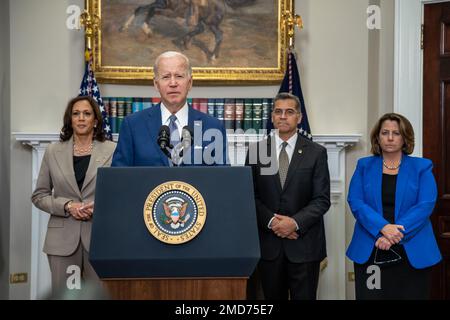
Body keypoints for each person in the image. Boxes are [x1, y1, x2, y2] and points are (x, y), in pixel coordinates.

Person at [347, 113, 442, 300]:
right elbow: (356, 201)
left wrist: (392, 235)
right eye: (385, 132)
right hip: (371, 248)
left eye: (396, 133)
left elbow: (425, 205)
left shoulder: (421, 167)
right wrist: (382, 228)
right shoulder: (364, 166)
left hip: (412, 251)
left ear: (405, 137)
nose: (390, 138)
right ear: (377, 137)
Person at [246, 92, 330, 300]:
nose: (283, 116)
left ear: (299, 118)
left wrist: (294, 223)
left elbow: (321, 199)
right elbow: (250, 195)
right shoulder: (257, 151)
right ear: (272, 117)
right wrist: (273, 222)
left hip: (305, 245)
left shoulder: (315, 152)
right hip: (268, 247)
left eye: (289, 112)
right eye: (278, 112)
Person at [31, 96, 116, 294]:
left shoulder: (112, 149)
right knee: (65, 297)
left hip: (99, 237)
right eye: (76, 114)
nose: (81, 118)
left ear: (95, 120)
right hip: (61, 240)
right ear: (70, 119)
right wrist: (68, 205)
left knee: (98, 296)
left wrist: (98, 206)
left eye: (87, 114)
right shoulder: (53, 151)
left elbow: (119, 193)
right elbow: (39, 195)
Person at [111, 51, 227, 167]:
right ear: (156, 84)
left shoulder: (213, 126)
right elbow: (119, 177)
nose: (173, 83)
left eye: (179, 76)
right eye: (166, 77)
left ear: (190, 83)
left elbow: (223, 178)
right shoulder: (133, 125)